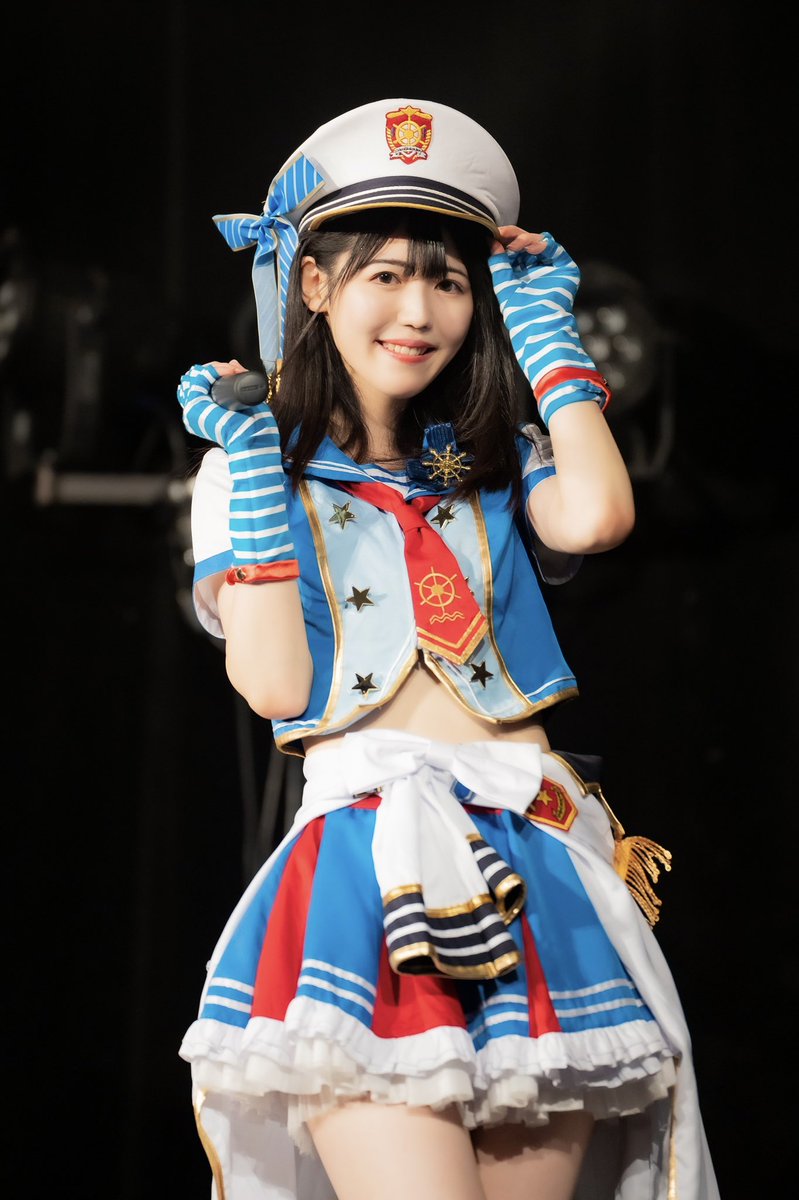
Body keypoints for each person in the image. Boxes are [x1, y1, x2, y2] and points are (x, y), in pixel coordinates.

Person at [176, 98, 719, 1200]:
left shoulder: (500, 461)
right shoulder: (247, 469)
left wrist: (548, 334)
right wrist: (257, 475)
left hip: (536, 865)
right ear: (314, 285)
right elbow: (273, 686)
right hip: (364, 874)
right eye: (384, 275)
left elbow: (598, 517)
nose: (418, 311)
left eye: (451, 282)